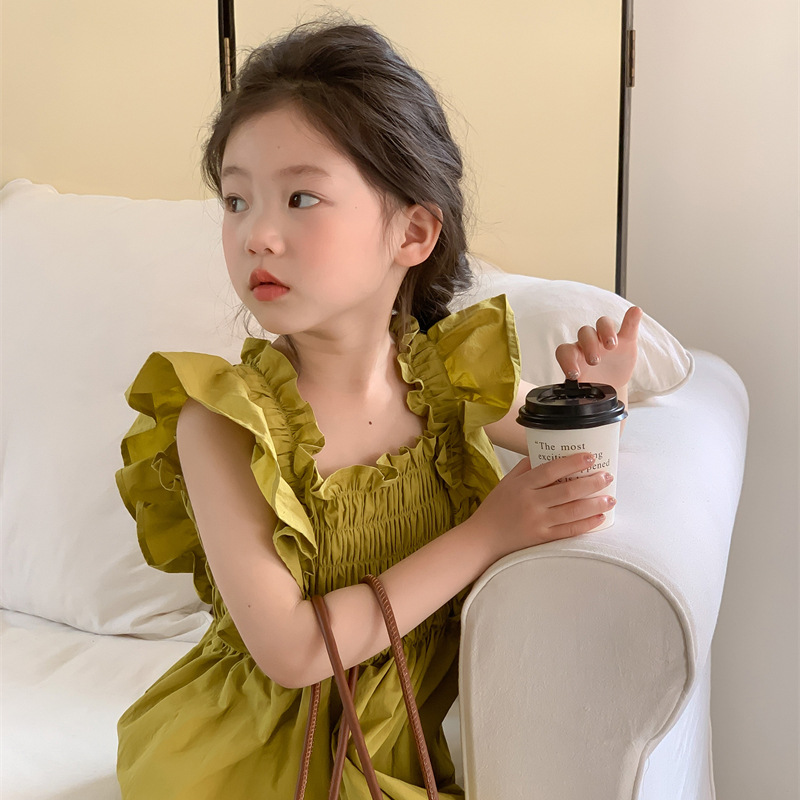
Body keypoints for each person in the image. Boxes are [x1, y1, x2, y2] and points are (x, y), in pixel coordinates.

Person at [115, 17, 642, 799]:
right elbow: (294, 651)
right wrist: (486, 534)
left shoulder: (451, 382)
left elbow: (570, 478)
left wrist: (602, 402)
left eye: (300, 197)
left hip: (409, 745)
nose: (257, 235)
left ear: (414, 232)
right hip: (257, 761)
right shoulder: (223, 425)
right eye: (235, 200)